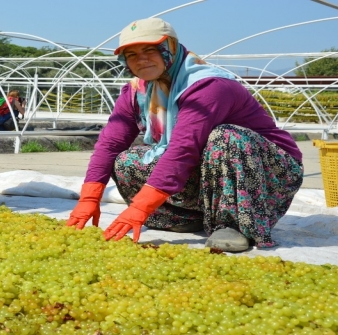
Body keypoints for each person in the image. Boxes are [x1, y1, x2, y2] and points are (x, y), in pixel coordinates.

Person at [66, 18, 303, 252]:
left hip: (267, 172)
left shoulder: (208, 86)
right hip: (208, 168)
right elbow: (110, 143)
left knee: (226, 137)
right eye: (132, 55)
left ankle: (235, 225)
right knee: (127, 162)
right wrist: (89, 198)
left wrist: (141, 207)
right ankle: (188, 218)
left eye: (151, 50)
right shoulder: (136, 91)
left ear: (169, 48)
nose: (142, 60)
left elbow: (183, 149)